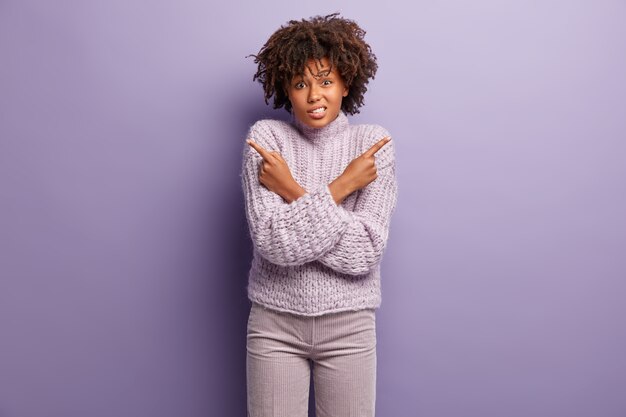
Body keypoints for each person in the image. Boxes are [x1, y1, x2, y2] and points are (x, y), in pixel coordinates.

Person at [240, 13, 398, 417]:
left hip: (351, 326)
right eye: (300, 83)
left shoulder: (372, 145)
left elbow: (364, 252)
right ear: (286, 90)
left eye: (325, 81)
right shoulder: (267, 140)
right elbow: (274, 242)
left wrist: (291, 190)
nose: (314, 95)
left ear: (346, 83)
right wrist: (342, 187)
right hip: (275, 325)